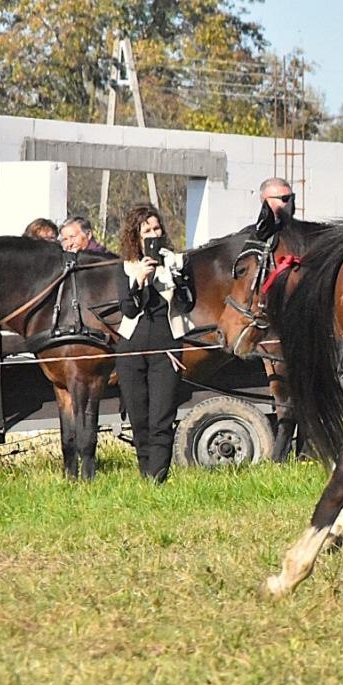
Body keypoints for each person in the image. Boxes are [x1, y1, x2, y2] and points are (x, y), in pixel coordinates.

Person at [114, 204, 192, 482]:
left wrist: (179, 279)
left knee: (161, 418)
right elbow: (129, 310)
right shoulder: (125, 267)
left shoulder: (177, 262)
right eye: (146, 230)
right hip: (131, 350)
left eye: (156, 228)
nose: (152, 234)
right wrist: (140, 281)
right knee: (139, 419)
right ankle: (144, 474)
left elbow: (187, 304)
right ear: (135, 236)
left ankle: (157, 479)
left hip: (166, 348)